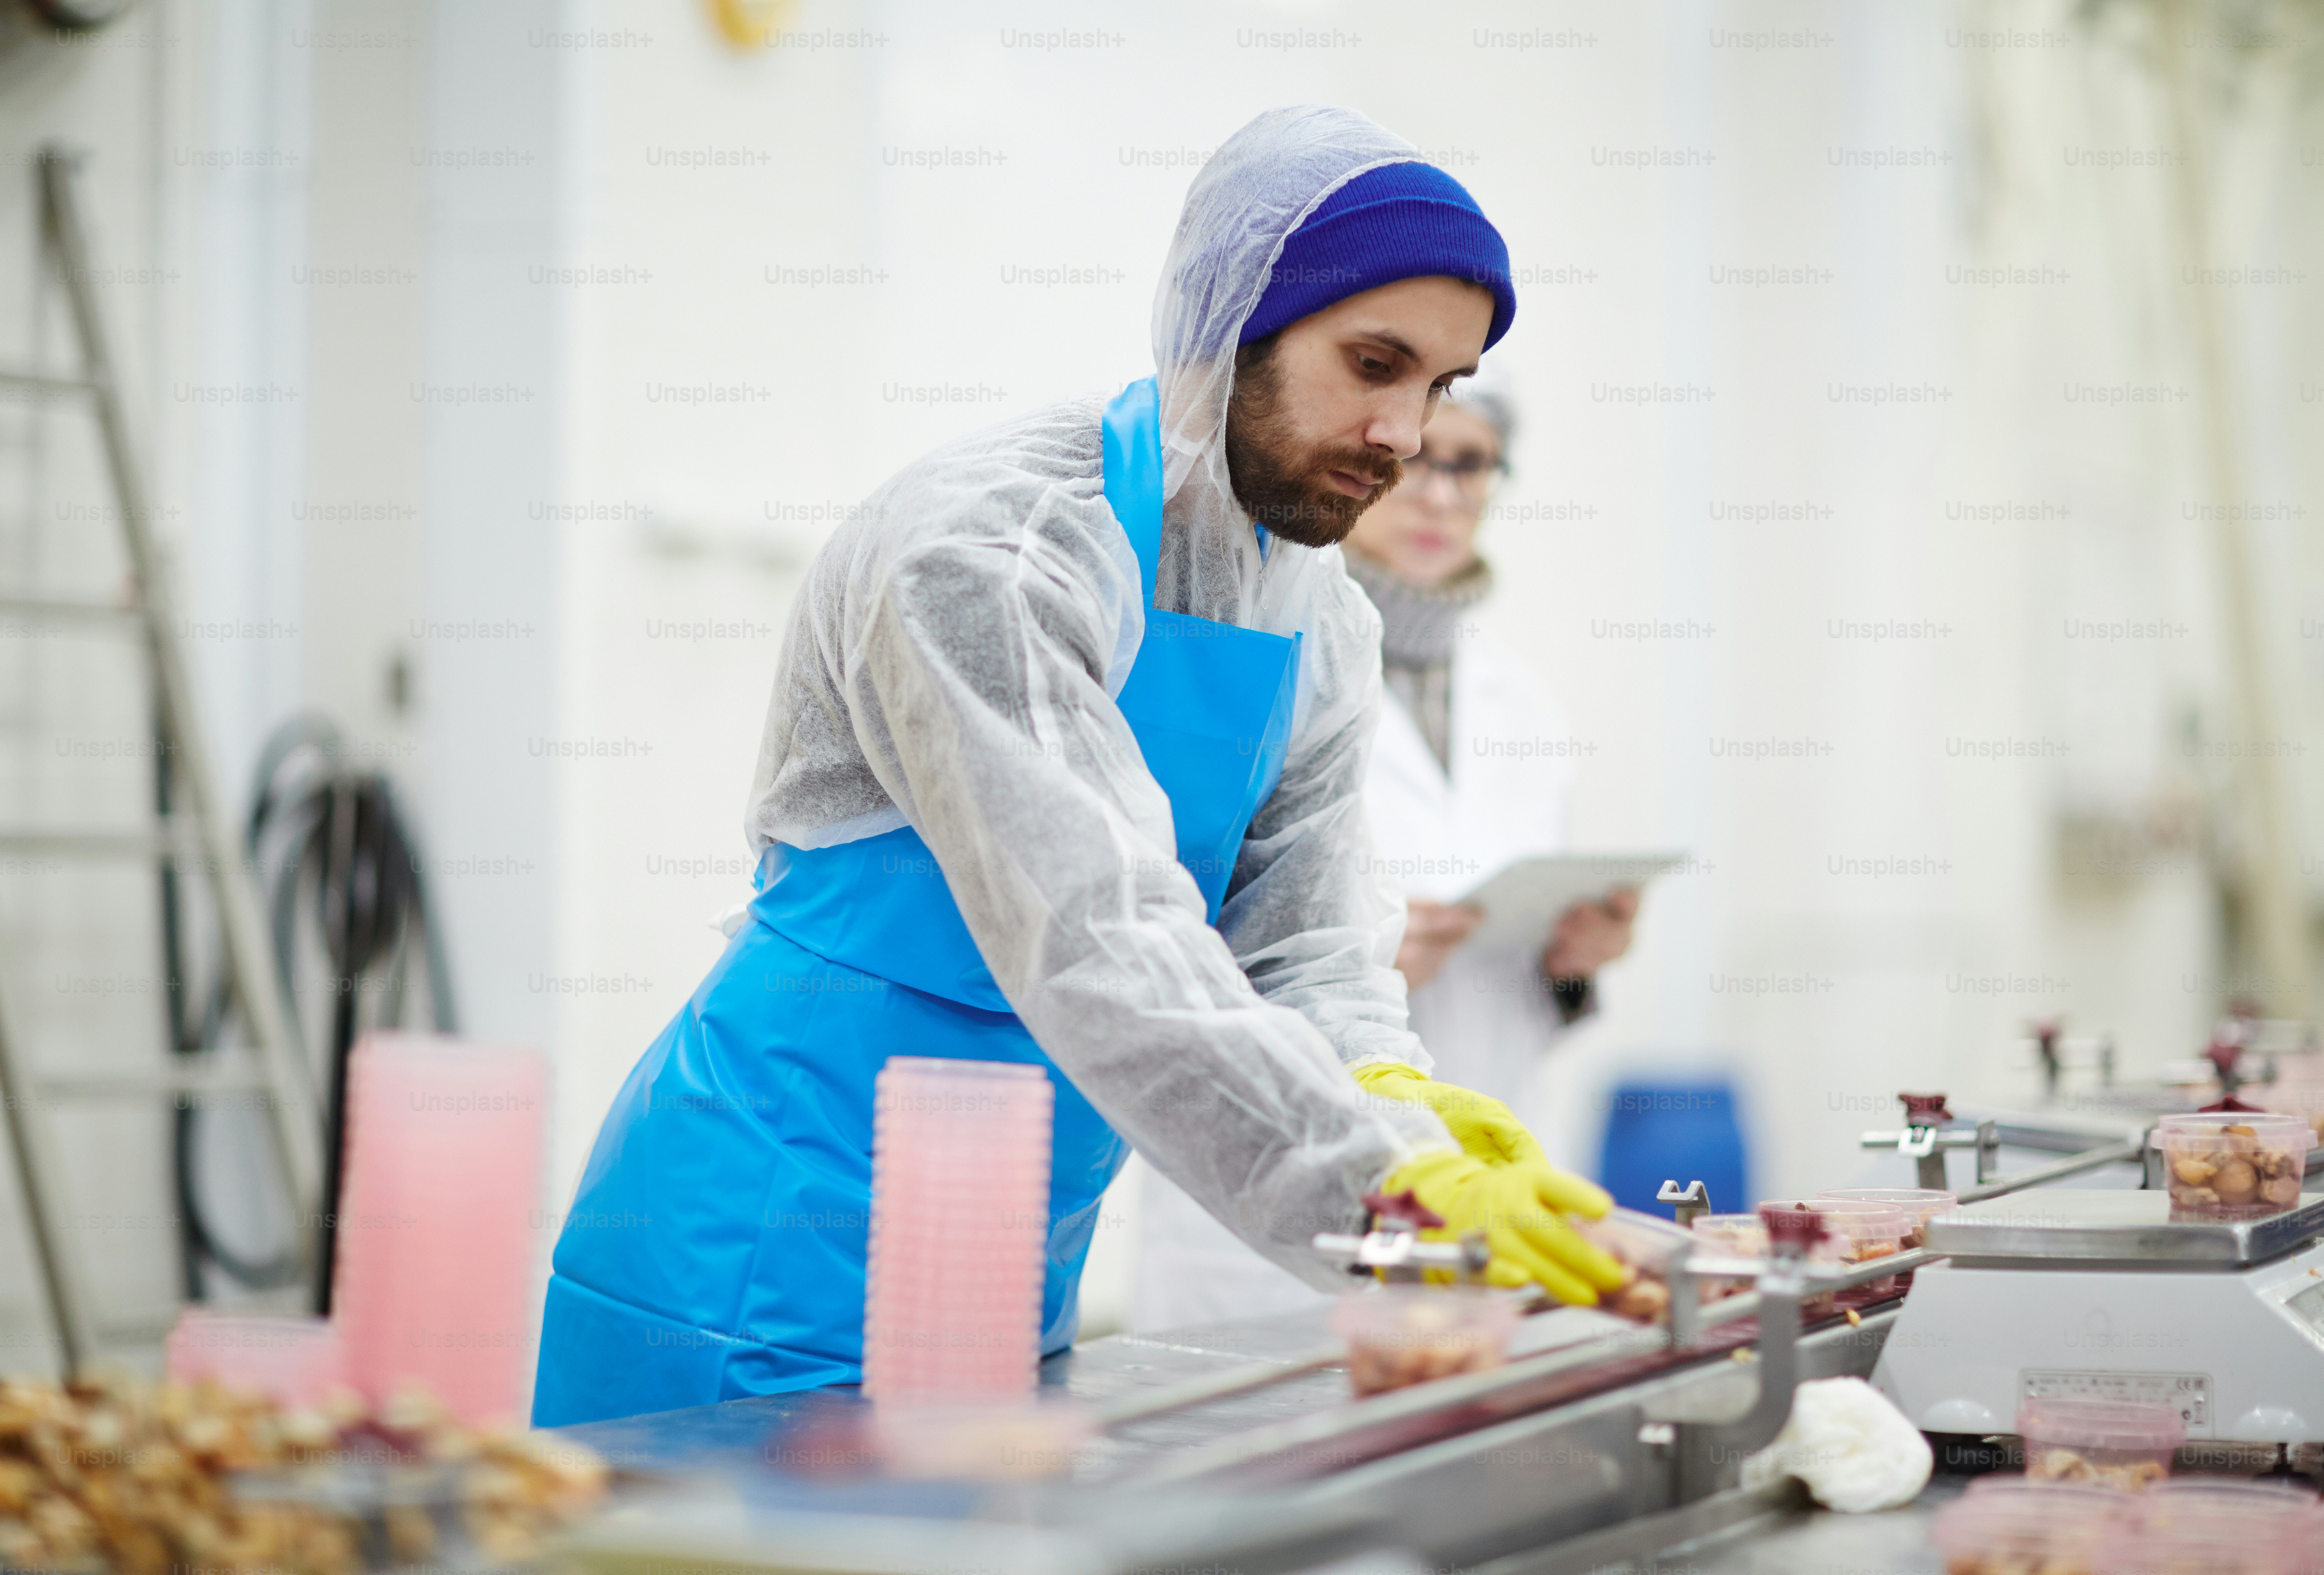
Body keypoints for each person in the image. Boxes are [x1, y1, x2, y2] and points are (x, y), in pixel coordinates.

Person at [528, 105, 1628, 1427]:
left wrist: (1395, 1100)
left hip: (1005, 1249)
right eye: (1374, 361)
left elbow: (1305, 956)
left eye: (1440, 389)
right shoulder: (993, 553)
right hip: (759, 1239)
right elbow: (1094, 936)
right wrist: (1388, 1195)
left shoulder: (1320, 621)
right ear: (1232, 326)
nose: (1404, 433)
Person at [1130, 385, 1640, 1330]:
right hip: (1285, 1201)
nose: (1441, 496)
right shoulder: (1260, 665)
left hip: (1492, 1173)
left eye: (1471, 464)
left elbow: (1533, 995)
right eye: (1420, 460)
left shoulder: (1523, 702)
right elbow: (1152, 936)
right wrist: (1345, 963)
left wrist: (1572, 965)